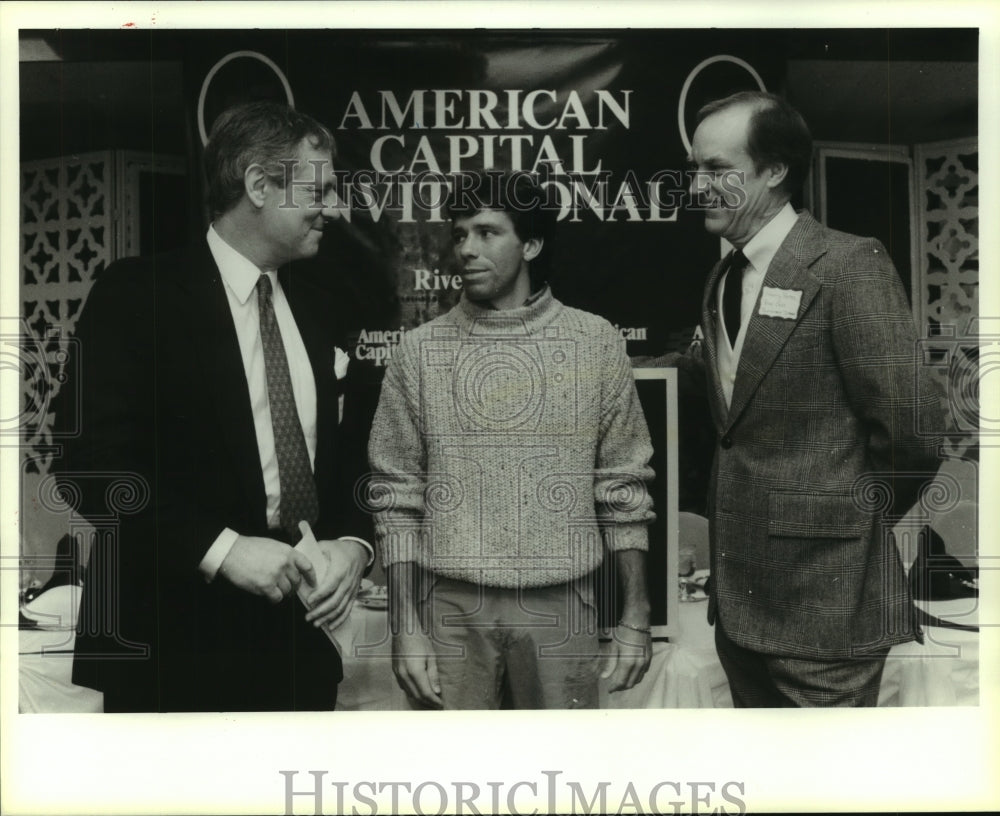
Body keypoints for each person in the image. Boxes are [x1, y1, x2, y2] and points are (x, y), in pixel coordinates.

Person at [54, 101, 373, 712]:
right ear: (258, 184)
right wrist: (222, 549)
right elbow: (86, 464)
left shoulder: (326, 302)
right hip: (169, 645)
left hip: (300, 644)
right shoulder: (136, 295)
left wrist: (354, 546)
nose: (332, 209)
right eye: (318, 190)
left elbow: (354, 452)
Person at [684, 91, 943, 706]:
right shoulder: (724, 275)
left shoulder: (848, 265)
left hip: (827, 607)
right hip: (743, 611)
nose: (697, 187)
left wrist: (849, 527)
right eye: (694, 169)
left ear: (775, 172)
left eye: (718, 171)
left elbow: (914, 430)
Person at [367, 171, 656, 709]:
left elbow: (624, 486)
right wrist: (404, 625)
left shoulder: (594, 343)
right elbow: (395, 495)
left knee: (560, 781)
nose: (467, 249)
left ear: (532, 244)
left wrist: (636, 613)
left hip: (563, 603)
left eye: (486, 232)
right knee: (451, 783)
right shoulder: (419, 352)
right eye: (459, 235)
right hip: (448, 607)